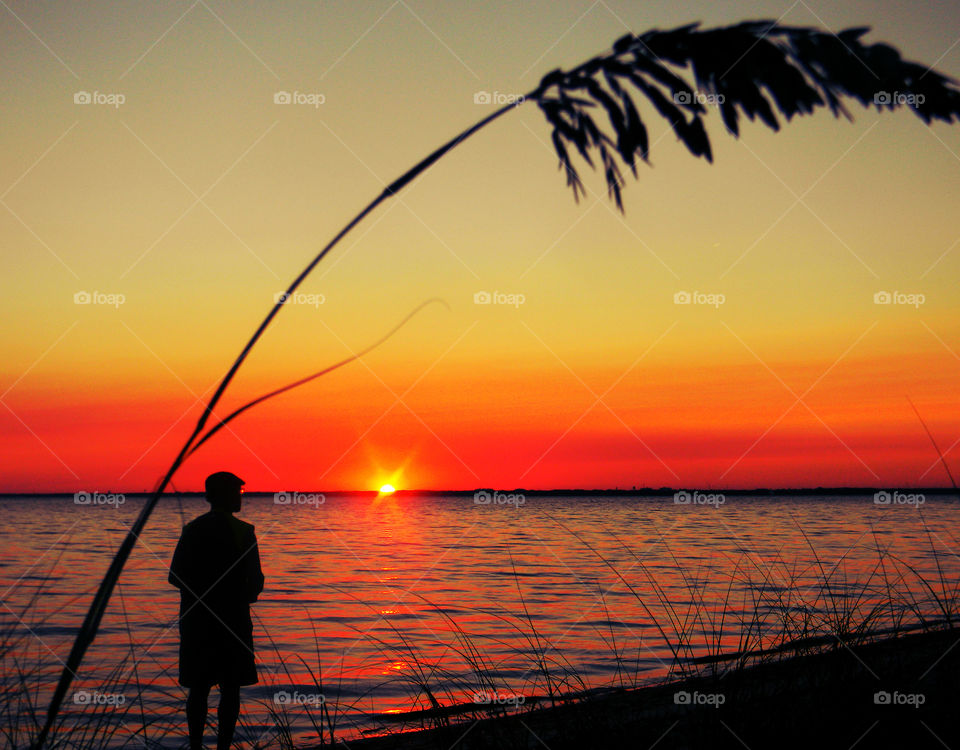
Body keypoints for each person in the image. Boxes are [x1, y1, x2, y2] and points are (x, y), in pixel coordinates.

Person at [169, 471, 265, 750]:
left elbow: (175, 576)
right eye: (238, 493)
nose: (240, 498)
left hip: (196, 622)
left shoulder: (192, 529)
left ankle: (196, 746)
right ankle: (223, 746)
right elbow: (256, 579)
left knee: (199, 687)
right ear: (224, 496)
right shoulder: (244, 531)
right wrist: (244, 597)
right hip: (232, 620)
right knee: (230, 686)